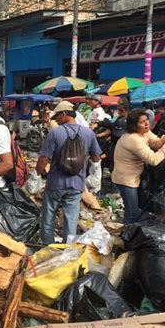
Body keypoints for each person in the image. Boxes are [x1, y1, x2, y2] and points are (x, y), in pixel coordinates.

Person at [36, 101, 101, 244]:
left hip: (55, 183)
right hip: (77, 183)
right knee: (71, 219)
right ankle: (67, 250)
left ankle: (47, 246)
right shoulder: (88, 133)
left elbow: (44, 159)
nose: (56, 120)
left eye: (57, 116)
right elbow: (96, 157)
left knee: (48, 216)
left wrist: (38, 172)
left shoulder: (55, 133)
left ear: (65, 114)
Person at [112, 109, 165, 224]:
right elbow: (153, 159)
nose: (147, 123)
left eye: (147, 120)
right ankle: (127, 237)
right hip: (126, 180)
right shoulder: (133, 139)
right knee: (132, 213)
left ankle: (131, 233)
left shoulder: (144, 132)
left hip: (134, 177)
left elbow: (156, 143)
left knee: (136, 209)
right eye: (142, 122)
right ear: (134, 125)